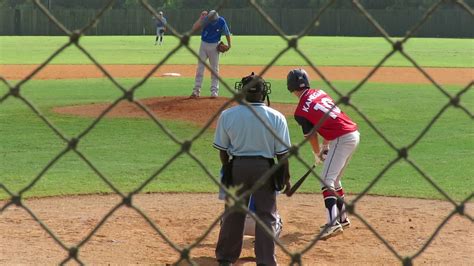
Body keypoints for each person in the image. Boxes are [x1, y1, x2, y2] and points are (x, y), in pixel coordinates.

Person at [213, 73, 291, 265]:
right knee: (266, 214)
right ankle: (265, 261)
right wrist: (286, 179)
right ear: (264, 93)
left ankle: (225, 258)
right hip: (265, 168)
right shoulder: (277, 117)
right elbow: (282, 155)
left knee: (233, 213)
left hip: (237, 166)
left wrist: (229, 169)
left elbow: (223, 151)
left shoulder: (228, 115)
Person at [287, 68, 360, 240]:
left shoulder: (300, 111)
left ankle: (332, 224)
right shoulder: (320, 93)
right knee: (333, 179)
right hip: (353, 135)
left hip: (342, 139)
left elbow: (311, 134)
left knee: (326, 180)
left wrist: (316, 153)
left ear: (290, 87)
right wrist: (325, 146)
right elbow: (329, 120)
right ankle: (342, 219)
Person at [190, 10, 231, 99]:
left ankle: (214, 91)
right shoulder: (205, 19)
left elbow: (227, 33)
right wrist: (200, 18)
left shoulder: (221, 21)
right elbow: (194, 28)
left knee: (214, 69)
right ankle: (196, 91)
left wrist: (229, 45)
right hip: (203, 45)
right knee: (200, 68)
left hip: (215, 45)